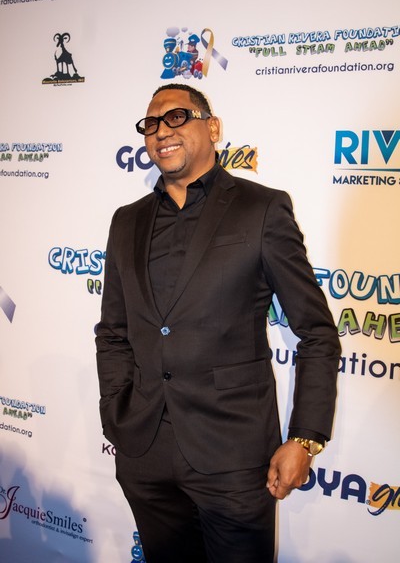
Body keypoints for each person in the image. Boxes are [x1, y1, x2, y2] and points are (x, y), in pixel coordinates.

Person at [96, 83, 341, 563]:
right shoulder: (126, 221)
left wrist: (305, 438)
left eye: (176, 117)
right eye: (151, 124)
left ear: (212, 128)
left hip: (233, 454)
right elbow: (113, 332)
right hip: (145, 451)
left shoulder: (261, 208)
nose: (161, 131)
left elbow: (317, 333)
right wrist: (115, 409)